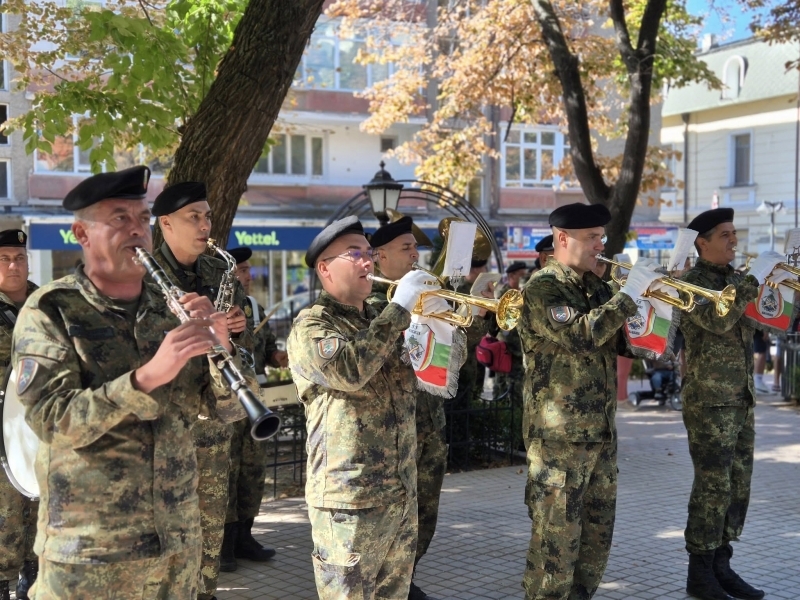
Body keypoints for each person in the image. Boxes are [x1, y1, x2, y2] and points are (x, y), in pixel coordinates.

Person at [12, 166, 239, 599]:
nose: (137, 230)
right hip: (89, 556)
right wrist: (147, 377)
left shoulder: (170, 307)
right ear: (82, 233)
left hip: (174, 549)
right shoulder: (52, 310)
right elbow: (51, 420)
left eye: (143, 218)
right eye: (119, 219)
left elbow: (224, 409)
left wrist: (220, 350)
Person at [287, 216, 437, 600]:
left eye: (369, 253)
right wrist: (400, 307)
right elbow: (351, 369)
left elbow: (430, 377)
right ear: (325, 268)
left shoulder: (380, 320)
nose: (367, 262)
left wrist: (437, 329)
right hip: (349, 502)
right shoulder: (312, 326)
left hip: (399, 493)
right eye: (355, 254)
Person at [518, 202, 661, 600]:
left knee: (596, 541)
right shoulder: (544, 287)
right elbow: (581, 334)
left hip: (599, 433)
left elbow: (627, 345)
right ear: (563, 239)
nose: (601, 245)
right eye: (592, 237)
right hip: (558, 438)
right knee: (556, 548)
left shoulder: (596, 286)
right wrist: (627, 296)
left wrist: (654, 309)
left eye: (602, 236)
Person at [151, 181, 253, 600]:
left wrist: (236, 330)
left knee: (208, 542)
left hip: (213, 429)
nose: (204, 224)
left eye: (208, 215)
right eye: (194, 216)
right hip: (165, 432)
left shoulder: (220, 273)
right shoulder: (144, 278)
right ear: (166, 224)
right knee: (164, 549)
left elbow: (241, 351)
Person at [679, 208, 779, 600]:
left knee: (738, 486)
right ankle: (699, 572)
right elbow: (718, 322)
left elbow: (764, 323)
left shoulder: (734, 281)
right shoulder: (692, 284)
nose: (734, 241)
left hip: (740, 399)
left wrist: (776, 289)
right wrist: (754, 280)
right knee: (712, 487)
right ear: (702, 243)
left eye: (734, 234)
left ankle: (722, 565)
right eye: (725, 235)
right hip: (709, 402)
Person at [367, 217, 448, 600]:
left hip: (429, 424)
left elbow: (447, 360)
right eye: (406, 248)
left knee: (425, 511)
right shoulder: (370, 305)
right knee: (394, 515)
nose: (415, 254)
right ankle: (390, 580)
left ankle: (407, 574)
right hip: (395, 432)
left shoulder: (426, 297)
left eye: (415, 248)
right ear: (379, 255)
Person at [222, 246, 287, 569]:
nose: (246, 276)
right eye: (240, 270)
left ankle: (246, 535)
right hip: (227, 402)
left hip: (257, 402)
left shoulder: (255, 309)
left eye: (248, 270)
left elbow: (269, 349)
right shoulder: (219, 308)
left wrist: (279, 358)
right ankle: (224, 543)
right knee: (228, 470)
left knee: (253, 470)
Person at [0, 230, 38, 600]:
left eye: (20, 257)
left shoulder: (46, 304)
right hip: (1, 430)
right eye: (4, 258)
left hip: (39, 427)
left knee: (38, 504)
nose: (14, 265)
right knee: (5, 514)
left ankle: (33, 576)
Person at [492, 261, 527, 448]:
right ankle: (505, 434)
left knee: (516, 393)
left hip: (518, 352)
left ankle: (514, 435)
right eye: (521, 276)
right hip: (507, 351)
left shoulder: (521, 294)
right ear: (512, 276)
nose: (524, 279)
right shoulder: (504, 293)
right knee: (505, 390)